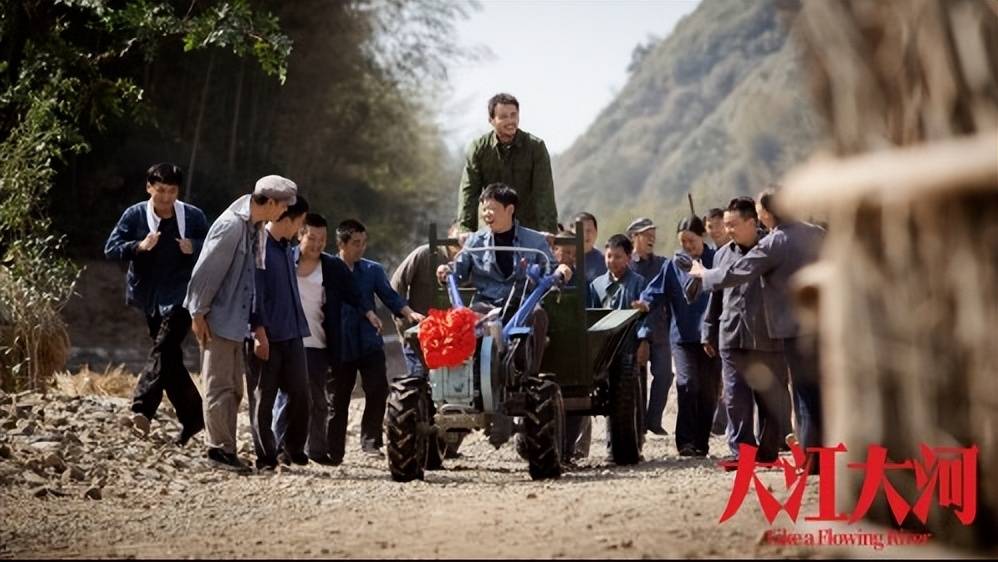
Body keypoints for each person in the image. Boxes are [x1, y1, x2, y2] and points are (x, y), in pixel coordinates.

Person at [688, 187, 826, 471]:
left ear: (766, 214)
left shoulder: (774, 242)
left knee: (801, 398)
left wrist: (703, 274)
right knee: (815, 395)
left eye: (761, 210)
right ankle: (818, 458)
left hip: (787, 329)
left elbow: (737, 272)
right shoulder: (816, 233)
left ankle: (812, 462)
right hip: (819, 323)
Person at [184, 175, 297, 472]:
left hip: (235, 320)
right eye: (283, 205)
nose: (284, 212)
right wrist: (198, 313)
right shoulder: (232, 226)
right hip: (218, 319)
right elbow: (206, 272)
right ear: (269, 202)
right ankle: (218, 451)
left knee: (233, 388)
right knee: (219, 386)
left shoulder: (253, 227)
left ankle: (227, 449)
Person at [104, 163, 208, 446]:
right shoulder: (135, 215)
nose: (165, 197)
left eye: (171, 191)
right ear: (149, 188)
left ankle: (142, 408)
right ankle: (194, 418)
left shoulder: (193, 216)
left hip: (183, 295)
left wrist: (194, 247)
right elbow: (111, 249)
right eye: (160, 190)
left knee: (163, 348)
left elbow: (212, 248)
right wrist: (138, 246)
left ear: (178, 191)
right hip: (150, 296)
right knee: (168, 358)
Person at [436, 184, 573, 375]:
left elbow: (550, 269)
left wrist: (562, 271)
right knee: (465, 320)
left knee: (538, 316)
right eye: (484, 209)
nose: (487, 214)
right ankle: (471, 374)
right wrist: (446, 271)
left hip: (522, 303)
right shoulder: (475, 241)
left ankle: (529, 375)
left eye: (492, 209)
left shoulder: (534, 241)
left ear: (510, 210)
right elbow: (458, 270)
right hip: (486, 303)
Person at [701, 197, 791, 467]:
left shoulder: (771, 249)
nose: (728, 230)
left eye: (733, 225)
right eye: (726, 225)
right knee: (734, 396)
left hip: (767, 336)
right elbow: (716, 296)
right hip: (732, 334)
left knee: (771, 398)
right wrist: (708, 330)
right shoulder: (722, 255)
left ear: (752, 222)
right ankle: (742, 452)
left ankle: (768, 451)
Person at [327, 219, 425, 461]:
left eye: (364, 242)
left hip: (369, 341)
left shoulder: (372, 270)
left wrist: (409, 313)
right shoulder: (327, 269)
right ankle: (332, 449)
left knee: (377, 390)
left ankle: (371, 443)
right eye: (355, 243)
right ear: (341, 244)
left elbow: (389, 296)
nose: (361, 248)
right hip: (339, 344)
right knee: (338, 397)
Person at [635, 215, 720, 457]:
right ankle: (685, 441)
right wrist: (644, 303)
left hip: (711, 336)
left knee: (708, 391)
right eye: (683, 241)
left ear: (702, 236)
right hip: (683, 336)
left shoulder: (716, 260)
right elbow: (655, 291)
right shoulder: (674, 265)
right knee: (687, 384)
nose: (687, 246)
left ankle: (701, 442)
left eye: (691, 240)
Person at [245, 196, 312, 470]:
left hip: (292, 332)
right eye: (300, 222)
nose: (301, 229)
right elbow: (253, 292)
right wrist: (258, 331)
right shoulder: (259, 246)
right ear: (288, 219)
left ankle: (290, 448)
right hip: (267, 335)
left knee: (300, 393)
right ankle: (266, 456)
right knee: (263, 398)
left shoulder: (286, 248)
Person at [569, 234, 647, 461]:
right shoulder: (596, 285)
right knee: (611, 399)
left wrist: (644, 342)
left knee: (630, 400)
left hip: (629, 350)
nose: (612, 261)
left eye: (618, 257)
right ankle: (612, 449)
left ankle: (633, 446)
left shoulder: (638, 283)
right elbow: (591, 317)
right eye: (609, 256)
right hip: (602, 352)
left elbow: (646, 317)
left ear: (629, 257)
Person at [457, 93, 558, 234]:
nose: (510, 121)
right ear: (491, 120)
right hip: (491, 229)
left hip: (527, 229)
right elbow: (469, 192)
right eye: (503, 117)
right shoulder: (479, 149)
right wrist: (465, 228)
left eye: (513, 115)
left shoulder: (535, 147)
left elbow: (543, 192)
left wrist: (547, 230)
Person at [389, 224, 463, 378]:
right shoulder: (425, 254)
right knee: (419, 381)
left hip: (455, 340)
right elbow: (396, 286)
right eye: (458, 235)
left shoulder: (472, 262)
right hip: (420, 336)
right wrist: (407, 317)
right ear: (449, 234)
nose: (461, 240)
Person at [627, 217, 673, 436]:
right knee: (635, 377)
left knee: (664, 375)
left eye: (653, 234)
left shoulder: (663, 264)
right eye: (646, 234)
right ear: (634, 237)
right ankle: (637, 422)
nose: (651, 238)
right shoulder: (626, 265)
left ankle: (653, 420)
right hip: (633, 332)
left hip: (660, 329)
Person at [573, 211, 607, 284]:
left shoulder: (604, 262)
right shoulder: (564, 258)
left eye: (589, 230)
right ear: (572, 232)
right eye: (580, 230)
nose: (585, 235)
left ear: (596, 233)